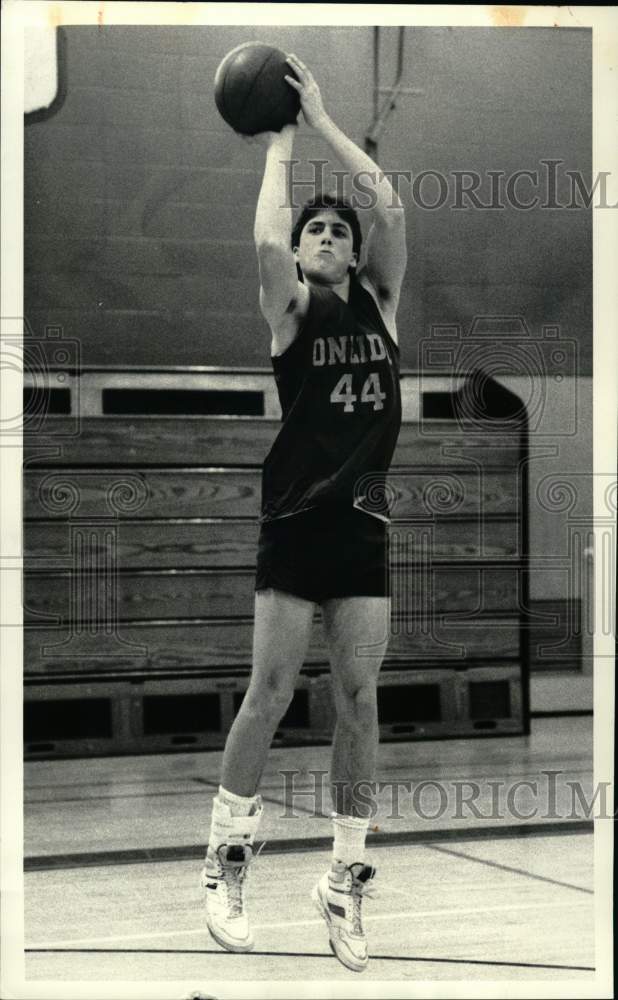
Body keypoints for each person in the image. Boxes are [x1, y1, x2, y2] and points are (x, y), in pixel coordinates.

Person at [201, 53, 407, 973]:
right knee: (271, 695)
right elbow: (261, 241)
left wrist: (323, 121)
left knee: (360, 704)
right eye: (313, 229)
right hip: (293, 521)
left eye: (336, 231)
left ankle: (343, 879)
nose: (323, 235)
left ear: (354, 253)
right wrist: (280, 149)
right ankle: (227, 862)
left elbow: (391, 204)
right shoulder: (289, 310)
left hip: (362, 527)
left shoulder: (381, 304)